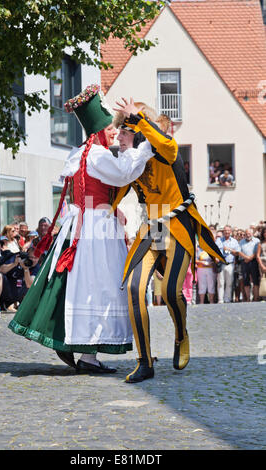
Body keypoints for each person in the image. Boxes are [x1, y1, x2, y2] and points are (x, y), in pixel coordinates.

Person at [8, 84, 153, 374]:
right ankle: (81, 351)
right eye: (110, 129)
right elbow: (125, 171)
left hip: (83, 223)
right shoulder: (98, 155)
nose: (114, 133)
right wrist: (146, 145)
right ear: (99, 130)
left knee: (75, 285)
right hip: (94, 229)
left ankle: (77, 349)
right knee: (97, 286)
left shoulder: (82, 153)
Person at [112, 98, 225, 382]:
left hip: (177, 223)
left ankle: (181, 335)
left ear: (138, 130)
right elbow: (111, 197)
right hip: (151, 227)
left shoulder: (161, 147)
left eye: (124, 131)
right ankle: (144, 361)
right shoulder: (130, 164)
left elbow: (169, 147)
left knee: (173, 291)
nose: (118, 137)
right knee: (135, 289)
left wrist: (138, 118)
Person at [215, 225, 240, 303]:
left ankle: (227, 299)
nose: (227, 232)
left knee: (229, 283)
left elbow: (237, 253)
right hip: (221, 264)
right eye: (225, 230)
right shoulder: (218, 240)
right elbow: (215, 251)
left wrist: (229, 249)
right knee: (220, 283)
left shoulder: (234, 241)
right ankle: (220, 299)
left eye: (228, 230)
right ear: (223, 232)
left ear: (231, 232)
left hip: (230, 264)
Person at [238, 228, 260, 302]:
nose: (248, 235)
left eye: (249, 233)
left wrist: (250, 257)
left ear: (252, 233)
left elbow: (258, 251)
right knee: (246, 280)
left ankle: (256, 298)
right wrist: (246, 257)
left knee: (255, 280)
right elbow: (239, 251)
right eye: (246, 233)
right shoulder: (241, 242)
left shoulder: (257, 241)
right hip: (244, 262)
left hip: (254, 262)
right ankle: (248, 298)